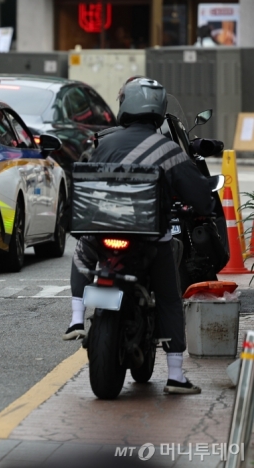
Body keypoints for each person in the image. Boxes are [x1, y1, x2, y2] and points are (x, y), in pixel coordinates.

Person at [64, 77, 214, 395]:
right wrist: (200, 206)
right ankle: (175, 375)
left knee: (81, 254)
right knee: (170, 296)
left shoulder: (104, 144)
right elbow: (200, 197)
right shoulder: (168, 150)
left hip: (99, 234)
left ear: (125, 107)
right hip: (148, 239)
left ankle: (77, 317)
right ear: (158, 111)